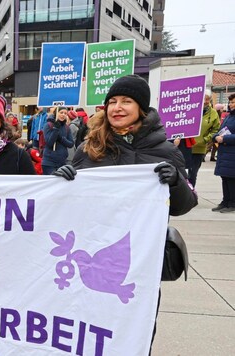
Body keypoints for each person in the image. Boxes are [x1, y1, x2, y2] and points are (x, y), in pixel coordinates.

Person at [71, 75, 198, 347]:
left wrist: (175, 181)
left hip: (141, 260)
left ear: (141, 108)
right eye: (112, 102)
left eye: (126, 101)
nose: (117, 107)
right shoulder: (89, 147)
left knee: (135, 328)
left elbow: (185, 205)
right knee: (89, 324)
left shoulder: (165, 150)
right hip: (96, 252)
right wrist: (64, 179)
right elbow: (70, 203)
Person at [188, 94, 220, 187]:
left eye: (207, 99)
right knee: (182, 174)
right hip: (184, 147)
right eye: (203, 99)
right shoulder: (190, 109)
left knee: (192, 174)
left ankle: (190, 196)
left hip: (199, 148)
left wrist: (205, 139)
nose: (205, 101)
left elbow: (216, 130)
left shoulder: (213, 113)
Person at [211, 93, 235, 213]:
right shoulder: (228, 116)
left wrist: (225, 139)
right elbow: (220, 130)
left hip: (232, 153)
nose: (231, 104)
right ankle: (225, 201)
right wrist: (215, 137)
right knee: (224, 178)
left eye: (233, 102)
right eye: (230, 102)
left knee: (231, 179)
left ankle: (232, 203)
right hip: (224, 153)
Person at [42, 106, 74, 175]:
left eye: (65, 113)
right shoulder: (48, 125)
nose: (63, 115)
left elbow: (71, 144)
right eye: (61, 112)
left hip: (62, 162)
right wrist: (55, 130)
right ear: (56, 113)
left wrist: (61, 139)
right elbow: (49, 142)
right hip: (49, 162)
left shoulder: (67, 127)